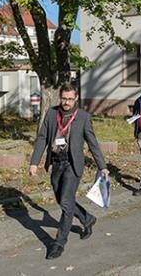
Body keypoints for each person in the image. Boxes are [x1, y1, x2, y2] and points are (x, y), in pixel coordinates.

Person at [28, 83, 109, 260]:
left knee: (65, 201)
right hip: (56, 163)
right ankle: (87, 218)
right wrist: (34, 162)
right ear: (60, 97)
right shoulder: (51, 114)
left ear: (76, 98)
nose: (66, 102)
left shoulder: (83, 117)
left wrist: (102, 166)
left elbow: (93, 143)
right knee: (63, 199)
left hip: (72, 164)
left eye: (70, 99)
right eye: (64, 98)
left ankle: (59, 243)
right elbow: (42, 138)